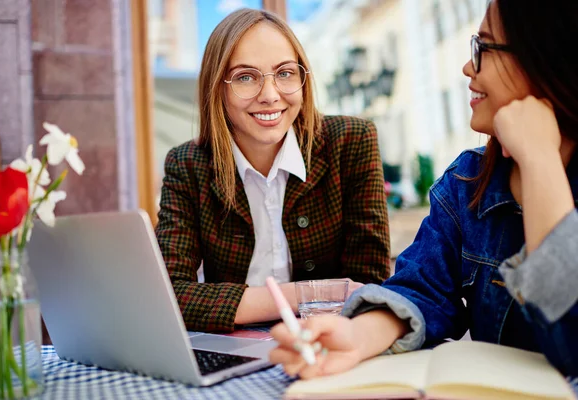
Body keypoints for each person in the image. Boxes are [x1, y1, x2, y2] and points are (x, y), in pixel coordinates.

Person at [270, 0, 578, 378]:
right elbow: (422, 290)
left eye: (484, 48)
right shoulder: (466, 182)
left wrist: (540, 160)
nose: (468, 66)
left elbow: (571, 344)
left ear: (543, 60)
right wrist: (355, 335)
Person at [155, 8, 391, 333]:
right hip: (230, 347)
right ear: (218, 89)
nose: (269, 96)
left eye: (284, 73)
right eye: (245, 77)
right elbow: (168, 296)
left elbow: (368, 286)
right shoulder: (187, 164)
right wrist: (300, 296)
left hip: (329, 342)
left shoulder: (351, 142)